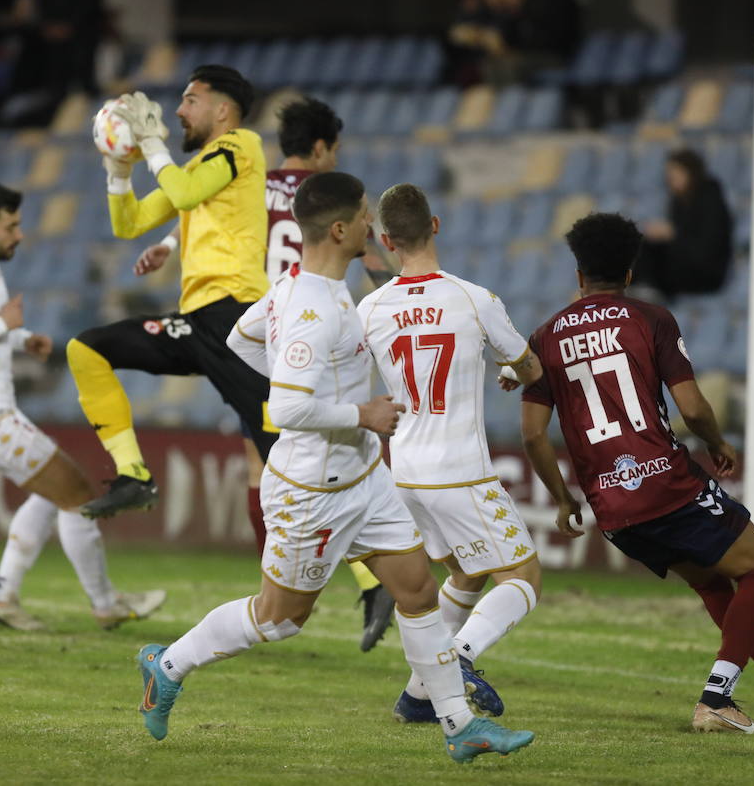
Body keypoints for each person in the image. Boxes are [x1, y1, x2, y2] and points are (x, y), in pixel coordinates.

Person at [137, 171, 533, 764]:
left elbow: (243, 342)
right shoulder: (311, 309)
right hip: (311, 491)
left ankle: (459, 724)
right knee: (279, 619)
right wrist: (360, 412)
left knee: (419, 590)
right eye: (366, 214)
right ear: (343, 228)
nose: (375, 224)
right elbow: (289, 406)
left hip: (365, 479)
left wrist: (321, 391)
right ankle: (166, 665)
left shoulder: (311, 287)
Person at [512, 211, 754, 734]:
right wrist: (717, 442)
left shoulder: (544, 339)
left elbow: (531, 435)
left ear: (578, 275)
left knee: (714, 588)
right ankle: (716, 699)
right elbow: (693, 406)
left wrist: (566, 500)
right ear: (631, 272)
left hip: (611, 507)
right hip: (666, 482)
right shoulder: (650, 319)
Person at [132, 96, 399, 651]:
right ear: (323, 148)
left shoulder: (256, 182)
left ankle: (315, 580)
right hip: (315, 327)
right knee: (311, 455)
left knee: (266, 461)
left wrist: (162, 244)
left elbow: (206, 216)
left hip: (272, 322)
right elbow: (375, 267)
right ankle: (335, 586)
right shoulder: (333, 203)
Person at [0, 179, 164, 630]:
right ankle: (105, 603)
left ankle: (3, 596)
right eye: (10, 226)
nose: (19, 235)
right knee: (75, 493)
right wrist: (1, 328)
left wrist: (18, 338)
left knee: (51, 493)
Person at [358, 183, 545, 724]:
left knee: (467, 573)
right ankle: (456, 657)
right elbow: (530, 369)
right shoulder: (472, 298)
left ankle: (418, 698)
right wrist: (511, 370)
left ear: (387, 240)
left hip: (406, 473)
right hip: (460, 470)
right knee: (524, 578)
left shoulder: (370, 308)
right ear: (435, 225)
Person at [68, 66, 276, 519]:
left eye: (190, 100)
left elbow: (182, 195)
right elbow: (130, 224)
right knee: (87, 350)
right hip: (199, 322)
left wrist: (151, 144)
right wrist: (118, 172)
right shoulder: (198, 167)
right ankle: (134, 476)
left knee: (283, 456)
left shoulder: (241, 145)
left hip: (236, 319)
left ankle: (374, 581)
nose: (178, 111)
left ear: (223, 111)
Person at [635, 148, 733, 302]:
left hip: (705, 272)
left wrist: (673, 234)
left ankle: (646, 294)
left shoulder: (711, 200)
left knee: (650, 253)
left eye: (676, 173)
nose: (671, 179)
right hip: (682, 263)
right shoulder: (678, 201)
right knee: (641, 245)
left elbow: (708, 247)